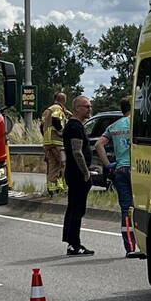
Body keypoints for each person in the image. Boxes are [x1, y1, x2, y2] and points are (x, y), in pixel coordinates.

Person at [95, 97, 144, 259]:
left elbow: (98, 145)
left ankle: (130, 247)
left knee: (126, 208)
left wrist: (109, 164)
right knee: (144, 207)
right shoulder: (139, 123)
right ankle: (146, 246)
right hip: (139, 169)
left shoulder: (113, 127)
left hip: (121, 169)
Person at [62, 95, 94, 256]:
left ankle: (71, 242)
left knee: (73, 208)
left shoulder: (75, 125)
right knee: (77, 209)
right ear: (76, 108)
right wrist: (86, 172)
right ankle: (74, 244)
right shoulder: (75, 127)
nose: (89, 109)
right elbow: (77, 151)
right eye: (86, 106)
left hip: (74, 173)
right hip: (77, 175)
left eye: (90, 106)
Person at [41, 92, 69, 195]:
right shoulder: (57, 109)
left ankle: (52, 189)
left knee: (53, 165)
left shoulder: (47, 110)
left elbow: (41, 126)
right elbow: (56, 120)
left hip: (47, 142)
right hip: (57, 141)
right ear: (63, 100)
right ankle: (61, 187)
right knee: (63, 164)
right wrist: (62, 132)